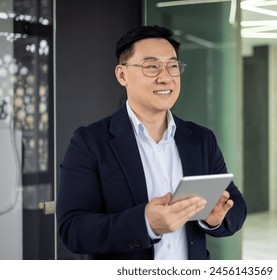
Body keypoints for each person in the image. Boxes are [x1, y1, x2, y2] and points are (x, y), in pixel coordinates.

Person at [56, 25, 247, 260]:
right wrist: (146, 223)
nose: (165, 77)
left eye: (173, 66)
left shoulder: (200, 139)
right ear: (122, 75)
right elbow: (73, 229)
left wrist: (215, 220)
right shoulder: (90, 142)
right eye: (152, 66)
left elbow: (235, 204)